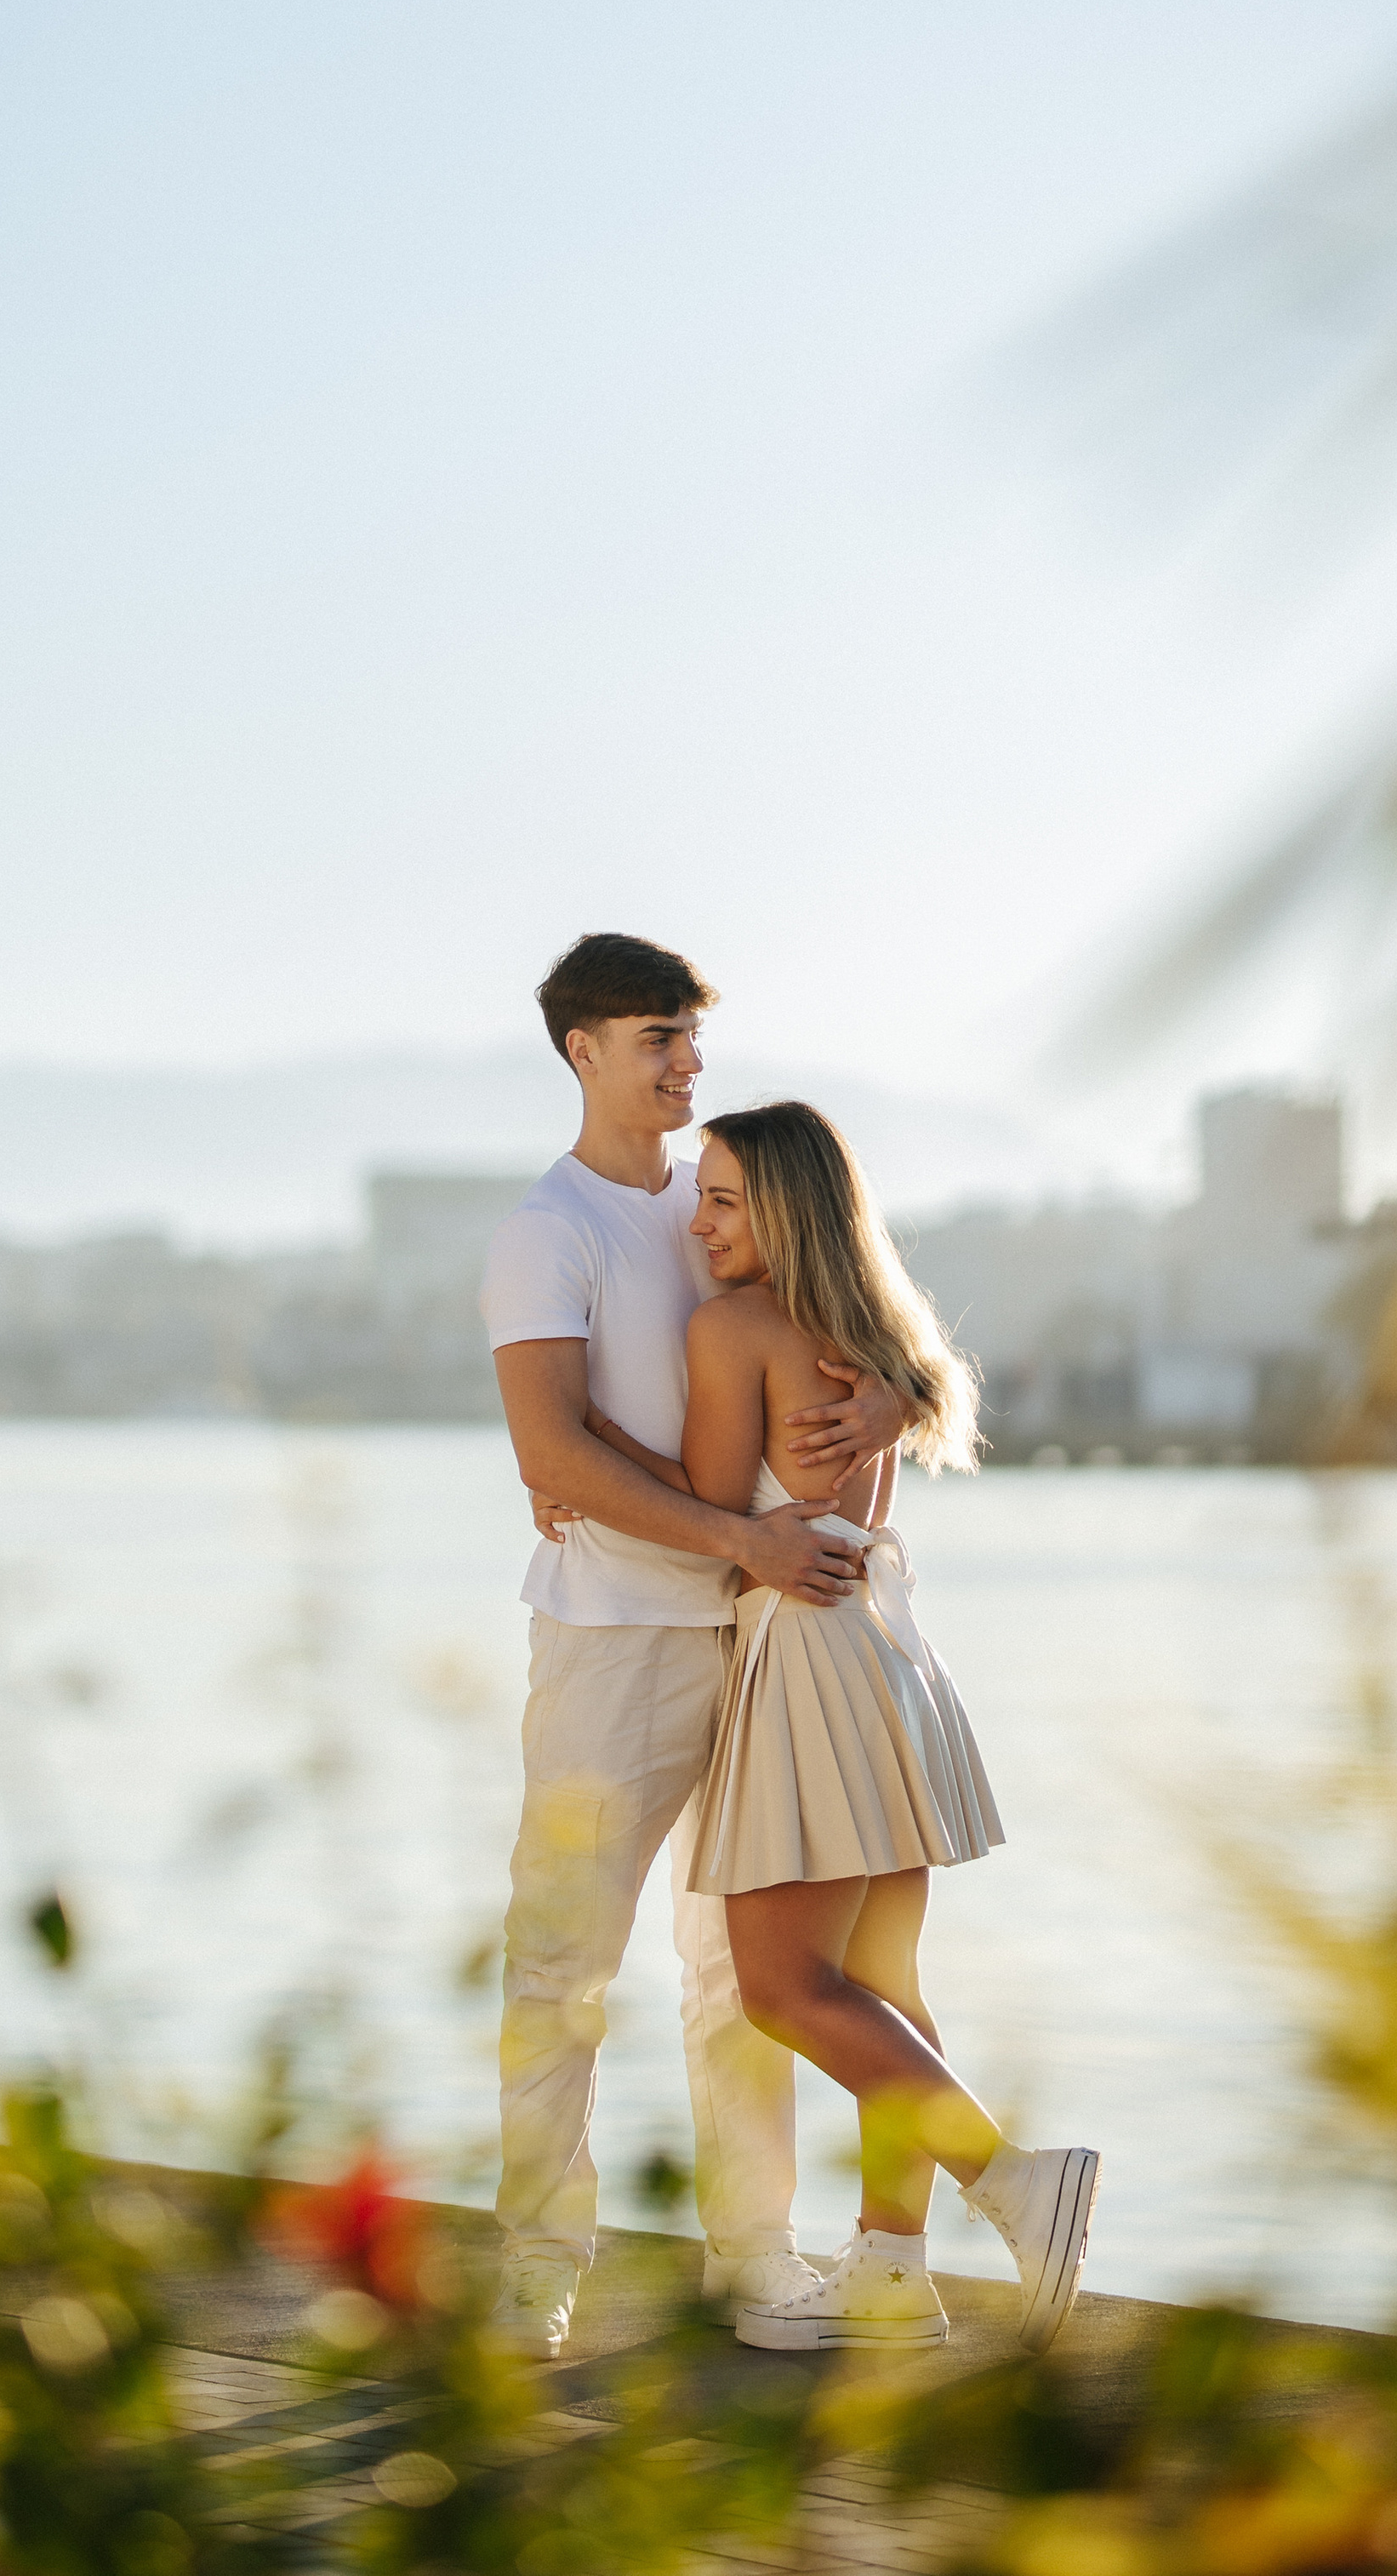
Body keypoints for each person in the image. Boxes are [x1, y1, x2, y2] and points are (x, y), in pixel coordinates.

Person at [583, 1097, 1099, 2354]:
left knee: (781, 1988)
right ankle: (887, 2271)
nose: (698, 1224)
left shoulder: (735, 1330)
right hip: (887, 1655)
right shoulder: (873, 1336)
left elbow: (717, 1513)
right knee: (883, 1991)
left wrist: (580, 1446)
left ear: (788, 1212)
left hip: (808, 1660)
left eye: (722, 1199)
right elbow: (906, 1416)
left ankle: (1017, 2182)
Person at [479, 934, 913, 2359]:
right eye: (658, 1038)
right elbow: (548, 1443)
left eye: (691, 1039)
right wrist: (741, 1540)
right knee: (562, 1966)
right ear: (581, 1052)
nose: (687, 1064)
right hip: (612, 1645)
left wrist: (896, 1405)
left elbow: (848, 1309)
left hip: (758, 1645)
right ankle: (536, 2268)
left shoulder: (711, 1206)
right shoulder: (546, 1231)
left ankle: (757, 2258)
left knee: (737, 1970)